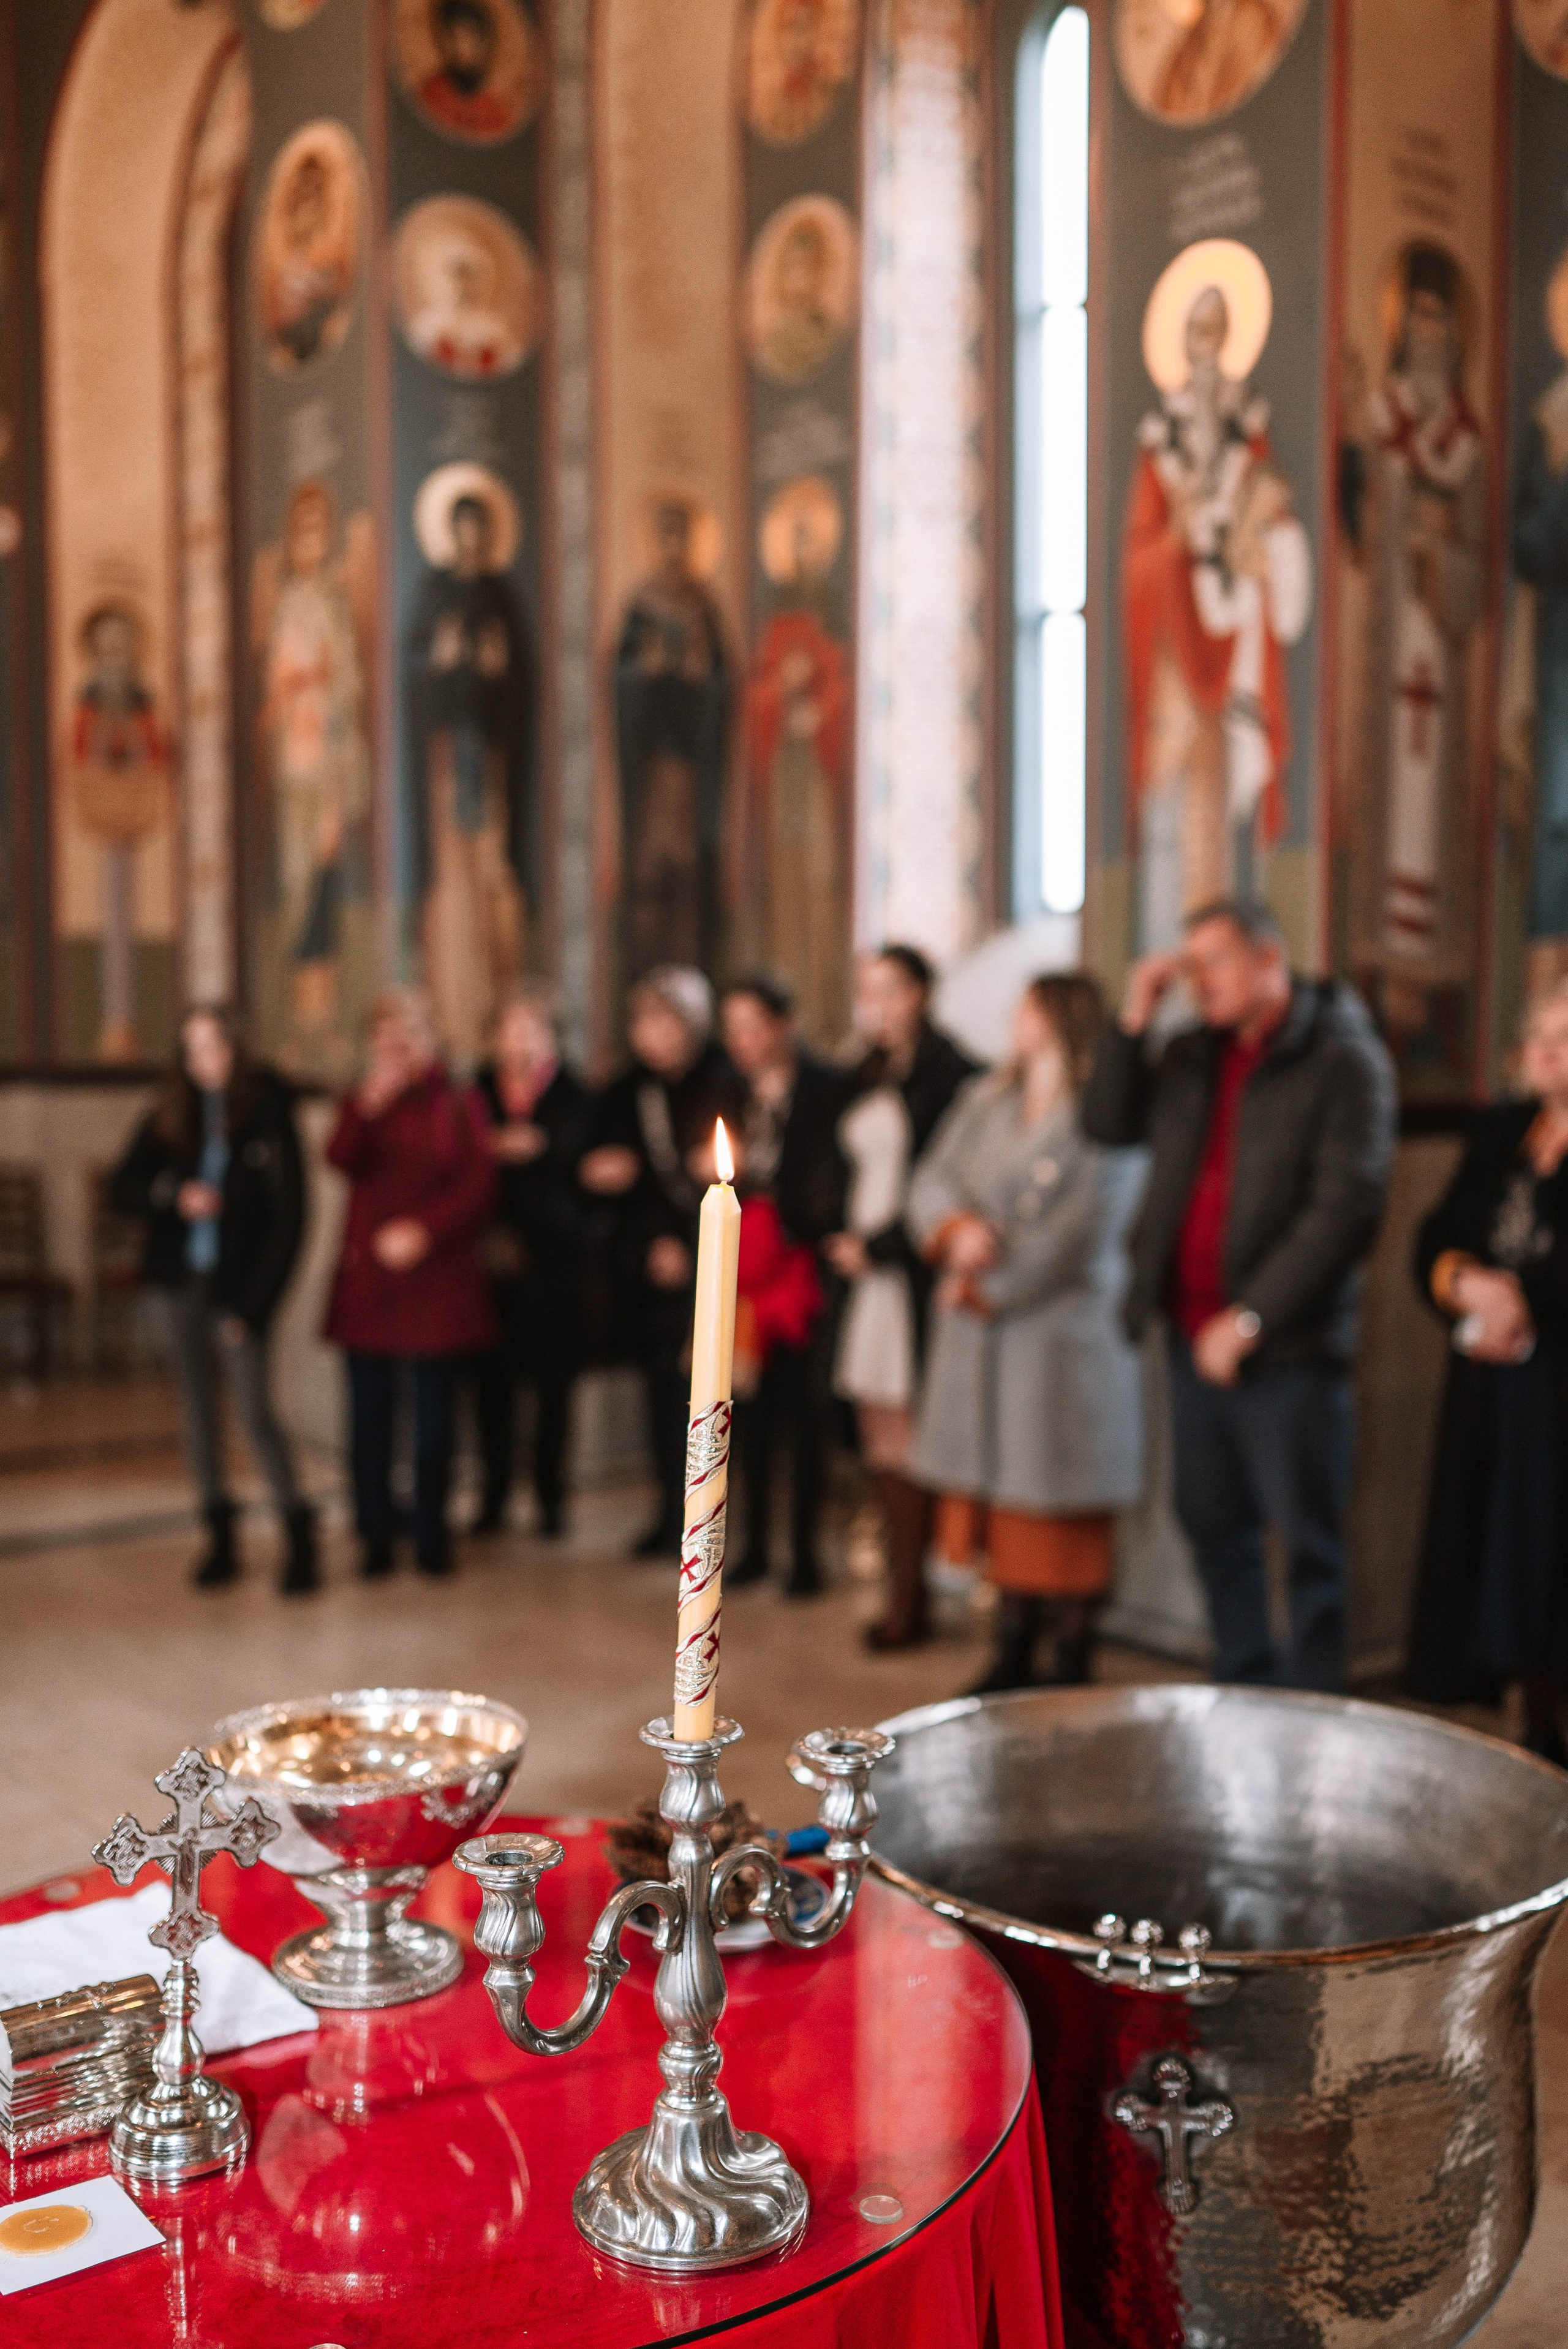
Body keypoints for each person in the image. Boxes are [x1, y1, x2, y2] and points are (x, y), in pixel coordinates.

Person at [1081, 899, 1395, 1692]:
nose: (1197, 982)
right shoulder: (1193, 1050)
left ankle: (1315, 1708)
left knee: (1306, 1542)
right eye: (1187, 965)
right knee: (1213, 1523)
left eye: (1212, 962)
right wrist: (1133, 1017)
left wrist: (1251, 1317)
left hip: (1285, 1348)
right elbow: (1106, 1122)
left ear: (1267, 960)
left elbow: (1345, 1212)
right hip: (1190, 1337)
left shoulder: (1344, 1059)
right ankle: (1245, 1685)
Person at [908, 975, 1145, 1692]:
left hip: (1059, 1335)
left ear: (1060, 1017)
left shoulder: (1104, 1112)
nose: (1015, 1017)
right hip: (983, 1334)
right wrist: (956, 1233)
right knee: (1003, 1500)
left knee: (1057, 1498)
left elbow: (1087, 1225)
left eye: (1028, 1005)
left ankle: (1071, 1648)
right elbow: (931, 1177)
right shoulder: (988, 1099)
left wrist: (986, 1283)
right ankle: (1012, 1645)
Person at [1407, 983, 1568, 1762]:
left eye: (1561, 1035)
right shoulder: (1504, 1129)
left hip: (1556, 1385)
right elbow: (1437, 1232)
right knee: (1503, 1561)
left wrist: (1523, 1302)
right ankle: (1533, 1731)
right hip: (1490, 1386)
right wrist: (1462, 1283)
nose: (1542, 1047)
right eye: (1536, 1029)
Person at [110, 1007, 314, 1594]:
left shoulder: (268, 1111)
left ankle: (297, 1531)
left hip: (239, 1287)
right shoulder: (171, 1113)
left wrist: (257, 1303)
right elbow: (128, 1187)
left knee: (254, 1413)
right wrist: (174, 1194)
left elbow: (290, 1216)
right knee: (198, 1412)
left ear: (236, 1049)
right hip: (181, 1281)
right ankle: (219, 1533)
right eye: (193, 1050)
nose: (206, 1061)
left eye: (215, 1047)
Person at [824, 946, 979, 1650]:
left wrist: (881, 1245)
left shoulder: (953, 1074)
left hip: (909, 1270)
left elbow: (943, 1179)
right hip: (863, 1276)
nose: (875, 1005)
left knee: (916, 1432)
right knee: (880, 1431)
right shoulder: (863, 1070)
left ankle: (918, 1593)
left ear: (920, 992)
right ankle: (898, 1582)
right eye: (865, 991)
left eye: (888, 989)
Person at [323, 990, 496, 1579]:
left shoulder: (460, 1100)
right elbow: (339, 1158)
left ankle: (430, 1532)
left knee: (433, 1422)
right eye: (385, 1038)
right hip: (370, 1281)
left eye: (408, 1036)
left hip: (438, 1280)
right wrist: (368, 1105)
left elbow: (479, 1183)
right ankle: (374, 1532)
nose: (396, 1049)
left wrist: (425, 1230)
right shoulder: (365, 1099)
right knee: (368, 1416)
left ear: (430, 1039)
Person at [579, 968, 745, 1557]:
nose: (652, 1034)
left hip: (712, 1265)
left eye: (665, 1020)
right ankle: (669, 1512)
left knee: (713, 1387)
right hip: (645, 1266)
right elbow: (605, 1162)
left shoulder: (724, 1081)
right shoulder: (628, 1091)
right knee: (659, 1395)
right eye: (642, 1021)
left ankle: (717, 1514)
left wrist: (683, 1239)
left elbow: (721, 1174)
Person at [719, 975, 850, 1597]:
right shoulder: (731, 1091)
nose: (743, 1042)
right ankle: (750, 1545)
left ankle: (802, 1552)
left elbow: (827, 1176)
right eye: (733, 1030)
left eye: (753, 1027)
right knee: (747, 1410)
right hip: (744, 1272)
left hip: (798, 1268)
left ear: (782, 1025)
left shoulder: (824, 1089)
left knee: (802, 1417)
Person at [470, 986, 589, 1539]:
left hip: (555, 1263)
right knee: (491, 1388)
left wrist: (537, 1150)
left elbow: (578, 1165)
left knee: (552, 1389)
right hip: (489, 1260)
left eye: (531, 1028)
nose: (519, 1039)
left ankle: (550, 1495)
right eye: (509, 1028)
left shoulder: (573, 1093)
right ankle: (493, 1492)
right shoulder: (476, 1091)